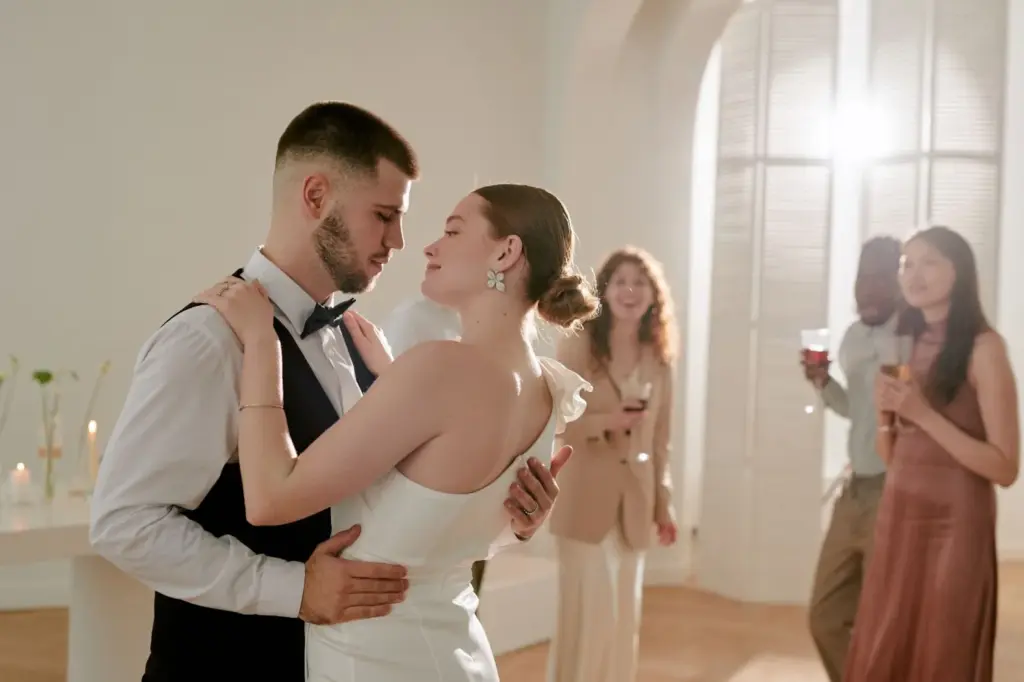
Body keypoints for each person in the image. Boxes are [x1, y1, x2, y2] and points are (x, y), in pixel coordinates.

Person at [89, 103, 571, 682]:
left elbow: (398, 503)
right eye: (384, 216)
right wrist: (293, 589)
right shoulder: (208, 340)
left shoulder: (362, 339)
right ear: (315, 197)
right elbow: (123, 523)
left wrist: (503, 509)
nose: (400, 241)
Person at [194, 182, 598, 681]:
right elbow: (446, 502)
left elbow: (270, 499)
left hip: (376, 655)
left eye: (453, 231)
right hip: (456, 649)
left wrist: (261, 342)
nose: (429, 247)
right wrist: (393, 379)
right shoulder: (548, 388)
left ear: (506, 251)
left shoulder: (438, 370)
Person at [843, 226, 1020, 682]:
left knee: (941, 651)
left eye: (929, 262)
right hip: (899, 515)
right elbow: (891, 456)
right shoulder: (904, 344)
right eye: (907, 264)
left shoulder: (985, 349)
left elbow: (1005, 467)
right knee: (885, 644)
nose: (913, 274)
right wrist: (885, 413)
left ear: (959, 272)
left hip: (955, 524)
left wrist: (921, 413)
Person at [546, 246, 679, 682]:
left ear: (653, 296)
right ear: (605, 290)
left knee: (624, 621)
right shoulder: (579, 344)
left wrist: (664, 504)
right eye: (621, 281)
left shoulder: (659, 359)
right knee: (589, 618)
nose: (630, 291)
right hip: (585, 498)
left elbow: (660, 439)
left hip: (634, 503)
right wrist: (608, 422)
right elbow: (555, 420)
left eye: (640, 283)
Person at [802, 236, 902, 682]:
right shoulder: (852, 337)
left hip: (895, 489)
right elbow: (856, 410)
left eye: (882, 277)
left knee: (884, 619)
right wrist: (823, 384)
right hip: (855, 488)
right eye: (864, 277)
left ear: (899, 282)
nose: (869, 288)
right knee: (824, 616)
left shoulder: (915, 337)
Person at [381, 298, 491, 600]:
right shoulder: (412, 320)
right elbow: (387, 420)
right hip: (421, 510)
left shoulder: (498, 325)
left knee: (463, 599)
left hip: (476, 513)